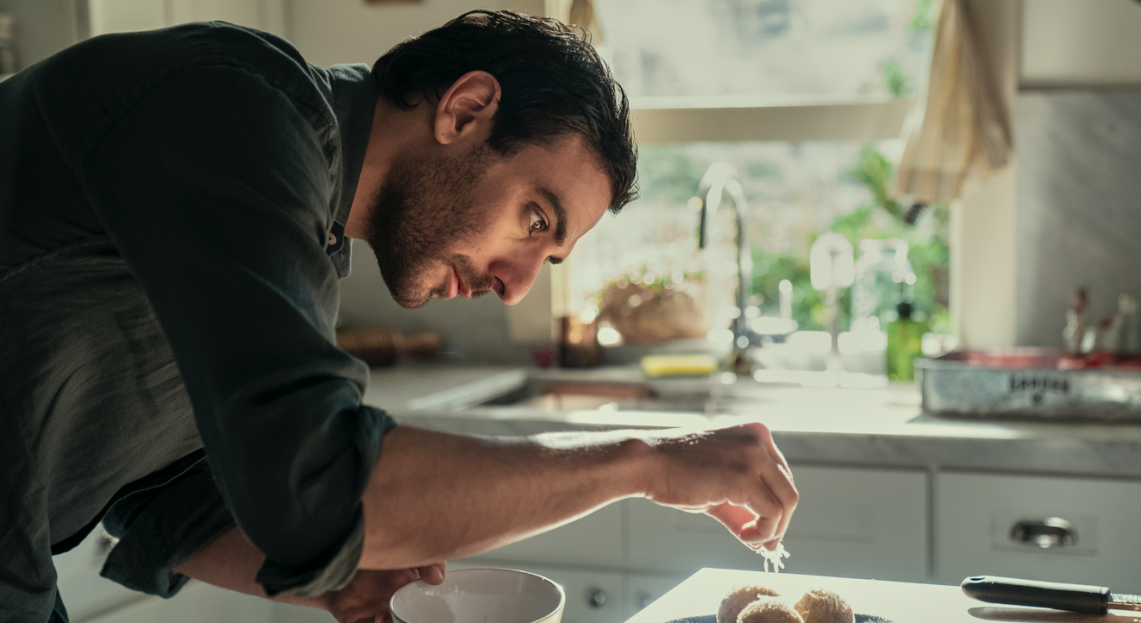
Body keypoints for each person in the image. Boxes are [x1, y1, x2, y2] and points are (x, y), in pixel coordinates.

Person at [0, 10, 799, 623]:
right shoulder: (234, 107)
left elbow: (169, 489)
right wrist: (644, 464)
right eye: (534, 219)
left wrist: (340, 574)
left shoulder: (302, 230)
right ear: (465, 109)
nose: (518, 287)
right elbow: (315, 486)